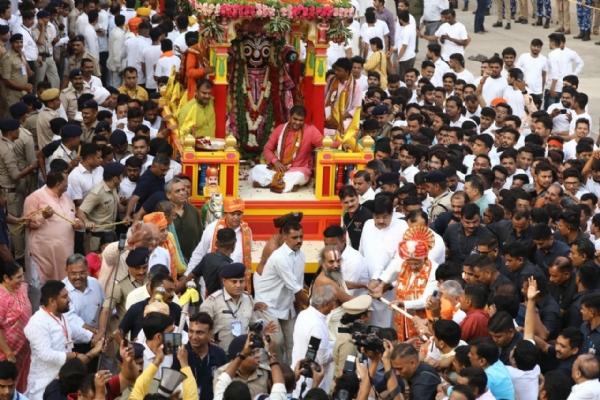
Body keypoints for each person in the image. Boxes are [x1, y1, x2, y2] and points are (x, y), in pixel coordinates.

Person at [24, 280, 103, 400]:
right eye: (65, 296)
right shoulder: (37, 323)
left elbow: (73, 331)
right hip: (44, 384)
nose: (69, 299)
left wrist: (94, 338)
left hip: (65, 379)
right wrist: (73, 355)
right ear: (52, 301)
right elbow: (46, 355)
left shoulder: (61, 316)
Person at [24, 170, 84, 309]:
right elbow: (28, 222)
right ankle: (37, 316)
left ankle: (60, 314)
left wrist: (76, 222)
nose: (68, 185)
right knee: (38, 286)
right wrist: (43, 216)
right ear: (58, 184)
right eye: (66, 182)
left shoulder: (66, 197)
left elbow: (70, 215)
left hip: (64, 252)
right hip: (42, 253)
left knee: (62, 286)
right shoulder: (35, 197)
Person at [254, 221, 308, 363]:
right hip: (268, 304)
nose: (299, 241)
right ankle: (275, 372)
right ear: (285, 238)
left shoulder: (301, 255)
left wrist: (299, 308)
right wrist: (313, 308)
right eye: (294, 237)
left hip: (287, 304)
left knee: (293, 343)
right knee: (276, 342)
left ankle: (292, 377)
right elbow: (295, 288)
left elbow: (298, 284)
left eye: (301, 237)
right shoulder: (279, 257)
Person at [372, 225, 438, 341]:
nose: (412, 267)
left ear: (425, 257)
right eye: (410, 263)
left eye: (417, 264)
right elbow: (390, 271)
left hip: (419, 320)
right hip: (401, 318)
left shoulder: (434, 270)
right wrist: (381, 286)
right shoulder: (404, 261)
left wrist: (402, 303)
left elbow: (426, 301)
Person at [249, 106, 328, 193]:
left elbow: (325, 142)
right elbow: (267, 148)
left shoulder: (310, 130)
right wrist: (275, 161)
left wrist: (341, 144)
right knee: (256, 169)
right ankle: (288, 185)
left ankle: (271, 184)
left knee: (300, 175)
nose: (297, 122)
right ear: (289, 117)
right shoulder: (280, 129)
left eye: (301, 120)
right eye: (295, 119)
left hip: (298, 169)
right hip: (280, 168)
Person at [186, 197, 253, 293]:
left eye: (239, 214)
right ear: (225, 213)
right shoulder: (211, 229)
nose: (236, 217)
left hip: (235, 286)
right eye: (232, 214)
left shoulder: (247, 232)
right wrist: (187, 274)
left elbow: (246, 257)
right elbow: (199, 253)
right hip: (212, 284)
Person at [199, 263, 257, 352]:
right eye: (234, 281)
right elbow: (201, 329)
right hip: (221, 355)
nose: (238, 285)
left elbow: (252, 324)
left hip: (244, 354)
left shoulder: (248, 299)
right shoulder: (212, 302)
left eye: (241, 281)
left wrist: (263, 328)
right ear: (224, 281)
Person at [291, 285, 337, 395]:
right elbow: (322, 357)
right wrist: (339, 349)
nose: (335, 305)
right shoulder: (317, 325)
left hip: (297, 374)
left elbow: (319, 345)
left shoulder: (304, 314)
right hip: (310, 381)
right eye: (334, 302)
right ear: (326, 304)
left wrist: (336, 343)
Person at [0, 261, 32, 393]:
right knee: (6, 385)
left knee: (22, 383)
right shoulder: (1, 297)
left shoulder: (22, 288)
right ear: (6, 278)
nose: (22, 279)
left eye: (22, 275)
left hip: (24, 351)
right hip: (7, 353)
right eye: (18, 277)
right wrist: (8, 353)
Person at [185, 312, 228, 400]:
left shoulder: (219, 354)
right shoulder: (181, 354)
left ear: (210, 334)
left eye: (199, 333)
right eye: (191, 331)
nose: (194, 337)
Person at [213, 334, 271, 399]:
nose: (258, 356)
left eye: (258, 351)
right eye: (252, 353)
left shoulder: (266, 372)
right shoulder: (222, 373)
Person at [324, 58, 363, 137]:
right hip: (327, 114)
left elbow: (356, 108)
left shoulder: (357, 86)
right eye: (335, 69)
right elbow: (324, 99)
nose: (336, 72)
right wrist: (328, 116)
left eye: (339, 70)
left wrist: (340, 117)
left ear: (347, 72)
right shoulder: (331, 80)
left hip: (345, 118)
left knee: (340, 132)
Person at [2, 34, 33, 108]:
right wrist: (24, 87)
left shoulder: (21, 54)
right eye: (17, 42)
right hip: (12, 93)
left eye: (21, 42)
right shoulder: (8, 58)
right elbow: (6, 80)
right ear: (11, 43)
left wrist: (27, 87)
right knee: (12, 115)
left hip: (23, 91)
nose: (19, 44)